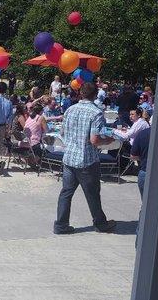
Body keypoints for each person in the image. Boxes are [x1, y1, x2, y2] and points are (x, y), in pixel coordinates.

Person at [54, 82, 116, 235]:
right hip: (86, 160)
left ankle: (61, 225)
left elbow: (62, 133)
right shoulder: (96, 113)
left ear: (81, 93)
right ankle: (100, 223)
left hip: (69, 157)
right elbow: (94, 140)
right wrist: (108, 141)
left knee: (66, 193)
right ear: (95, 95)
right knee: (92, 194)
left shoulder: (70, 109)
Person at [130, 126, 151, 242]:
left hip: (145, 172)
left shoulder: (143, 134)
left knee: (145, 207)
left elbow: (133, 156)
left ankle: (140, 243)